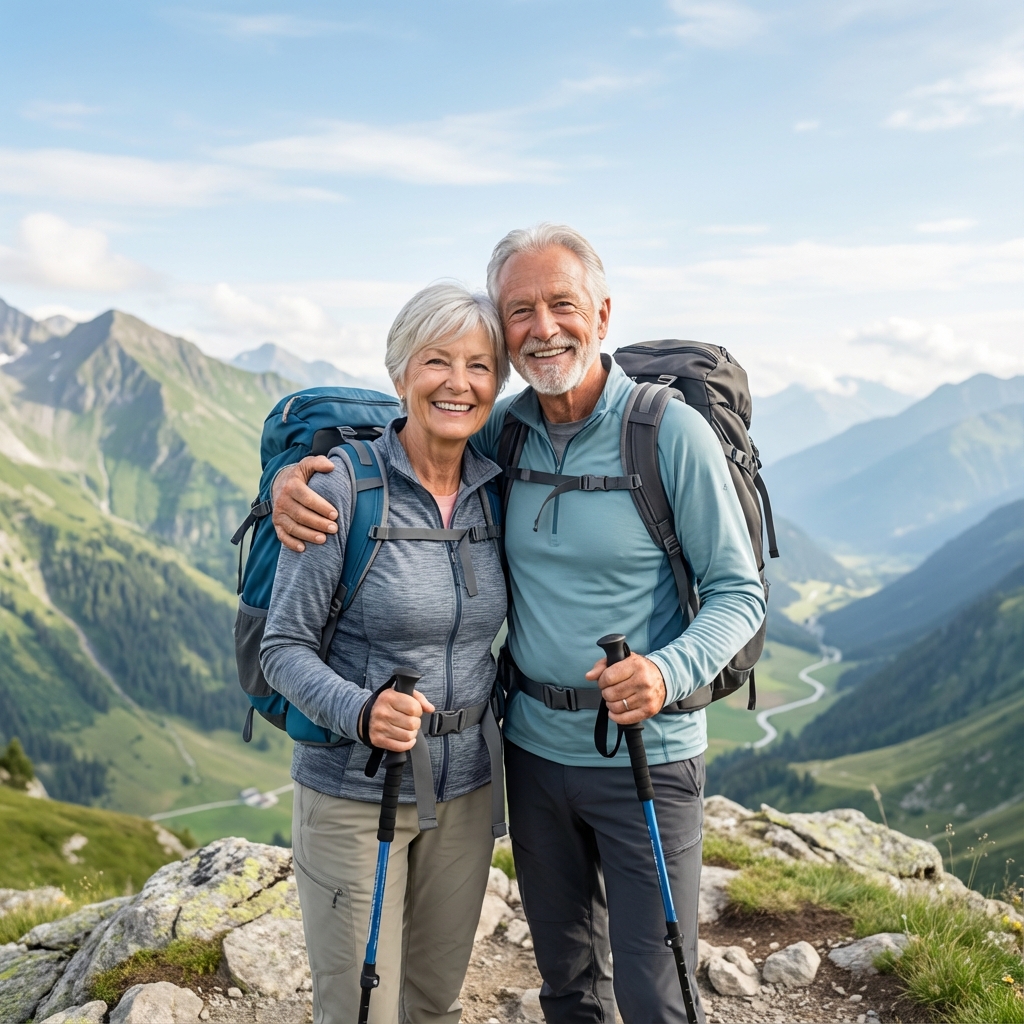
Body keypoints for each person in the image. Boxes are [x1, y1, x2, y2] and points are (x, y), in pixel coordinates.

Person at [272, 226, 766, 1024]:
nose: (543, 328)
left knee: (655, 989)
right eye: (520, 311)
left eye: (561, 305)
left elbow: (739, 592)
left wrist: (667, 671)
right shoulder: (504, 430)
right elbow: (401, 434)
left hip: (645, 751)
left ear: (602, 314)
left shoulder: (667, 433)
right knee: (567, 983)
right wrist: (286, 480)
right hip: (531, 753)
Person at [260, 282, 510, 1024]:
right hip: (353, 789)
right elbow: (283, 647)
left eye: (480, 365)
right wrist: (362, 711)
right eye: (438, 361)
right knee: (360, 1009)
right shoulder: (339, 488)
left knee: (435, 1003)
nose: (459, 382)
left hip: (466, 790)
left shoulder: (496, 489)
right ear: (401, 372)